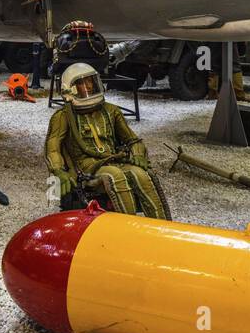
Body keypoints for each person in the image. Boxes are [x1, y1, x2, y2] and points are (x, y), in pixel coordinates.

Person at [45, 63, 167, 219]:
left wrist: (138, 154)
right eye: (81, 83)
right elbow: (53, 148)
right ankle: (128, 229)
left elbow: (132, 139)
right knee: (115, 176)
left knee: (141, 175)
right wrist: (58, 170)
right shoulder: (62, 117)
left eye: (90, 81)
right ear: (70, 89)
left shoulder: (111, 111)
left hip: (113, 159)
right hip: (87, 166)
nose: (87, 86)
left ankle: (161, 227)